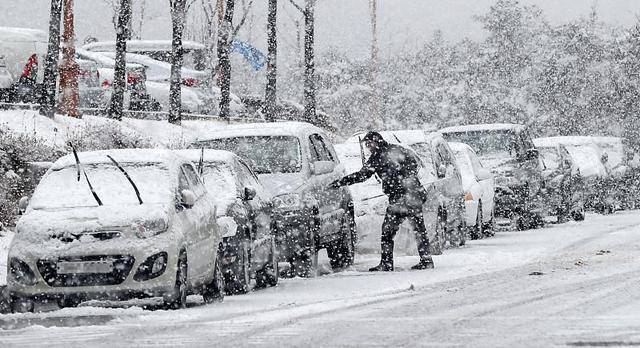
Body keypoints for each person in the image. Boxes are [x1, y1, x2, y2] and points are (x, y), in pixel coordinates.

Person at [329, 131, 434, 271]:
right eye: (366, 145)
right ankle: (426, 260)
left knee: (387, 232)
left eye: (369, 143)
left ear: (377, 141)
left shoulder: (378, 157)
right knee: (419, 230)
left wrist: (340, 182)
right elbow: (414, 163)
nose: (368, 147)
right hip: (414, 195)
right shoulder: (397, 149)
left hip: (400, 199)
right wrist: (406, 178)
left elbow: (362, 176)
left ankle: (387, 263)